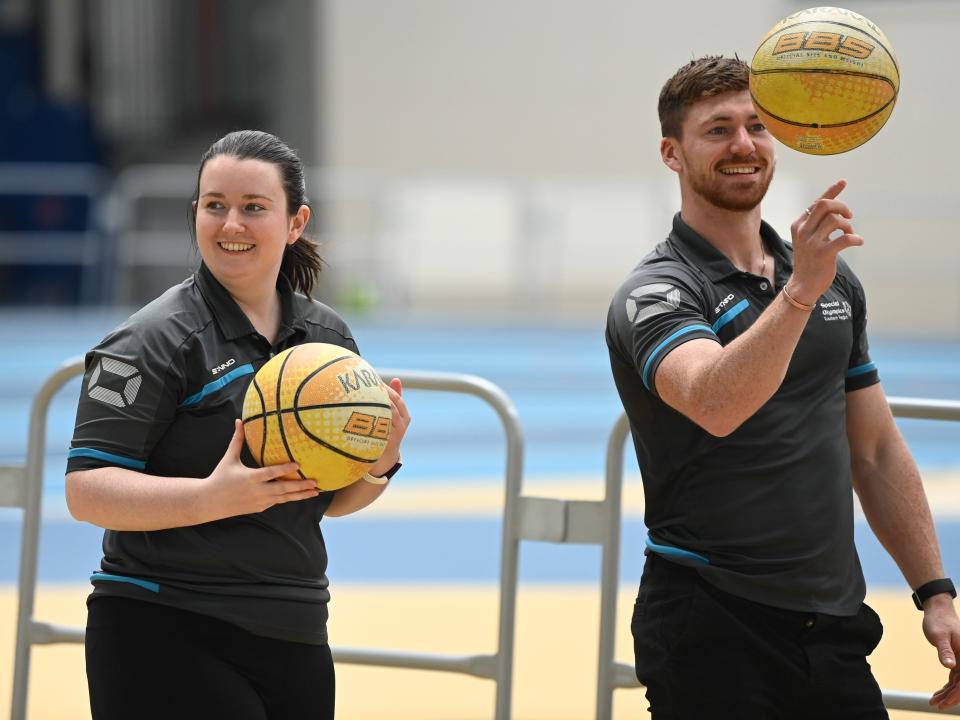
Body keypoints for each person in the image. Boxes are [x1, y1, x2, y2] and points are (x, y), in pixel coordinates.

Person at [605, 56, 960, 718]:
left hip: (832, 622)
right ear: (672, 153)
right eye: (718, 130)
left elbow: (876, 450)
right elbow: (715, 404)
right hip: (710, 617)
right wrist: (800, 293)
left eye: (758, 126)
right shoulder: (658, 291)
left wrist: (935, 592)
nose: (744, 145)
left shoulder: (831, 281)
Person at [65, 129, 410, 720]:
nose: (231, 224)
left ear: (296, 221)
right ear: (194, 213)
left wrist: (380, 462)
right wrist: (212, 498)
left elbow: (319, 500)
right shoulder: (148, 340)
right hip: (164, 625)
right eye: (215, 205)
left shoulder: (328, 342)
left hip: (295, 628)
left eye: (254, 207)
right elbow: (85, 489)